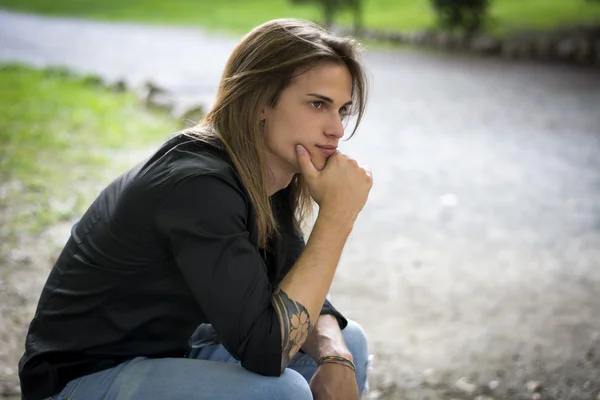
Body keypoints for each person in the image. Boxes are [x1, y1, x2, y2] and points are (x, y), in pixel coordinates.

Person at [18, 18, 373, 400]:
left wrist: (336, 357)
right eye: (318, 104)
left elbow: (293, 282)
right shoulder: (199, 186)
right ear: (260, 103)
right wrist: (336, 218)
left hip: (168, 351)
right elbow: (268, 350)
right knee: (282, 391)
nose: (336, 129)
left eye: (342, 110)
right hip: (82, 378)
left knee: (348, 342)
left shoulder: (268, 171)